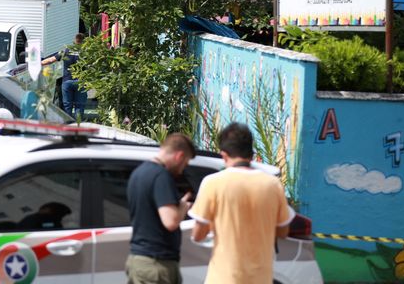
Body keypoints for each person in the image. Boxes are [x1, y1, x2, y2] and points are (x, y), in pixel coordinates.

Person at [189, 122, 295, 284]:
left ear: (224, 155)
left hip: (223, 278)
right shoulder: (273, 185)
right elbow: (282, 232)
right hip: (261, 278)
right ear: (251, 154)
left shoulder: (213, 183)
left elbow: (197, 235)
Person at [126, 133, 195, 284]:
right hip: (156, 265)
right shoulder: (161, 176)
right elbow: (170, 221)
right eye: (185, 163)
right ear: (179, 156)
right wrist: (183, 207)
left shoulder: (138, 173)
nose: (182, 169)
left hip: (138, 260)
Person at [42, 33, 86, 119]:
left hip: (67, 81)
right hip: (80, 82)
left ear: (74, 41)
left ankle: (68, 125)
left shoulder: (66, 50)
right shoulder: (86, 52)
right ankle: (78, 126)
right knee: (79, 106)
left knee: (67, 106)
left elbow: (51, 60)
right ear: (83, 41)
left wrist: (39, 63)